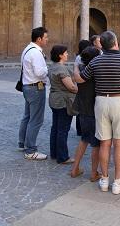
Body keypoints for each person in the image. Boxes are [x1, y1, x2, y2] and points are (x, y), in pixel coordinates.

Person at [76, 31, 120, 195]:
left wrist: (75, 68)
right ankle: (117, 181)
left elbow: (81, 78)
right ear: (116, 42)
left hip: (101, 101)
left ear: (101, 44)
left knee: (104, 143)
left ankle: (104, 179)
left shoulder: (96, 60)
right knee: (119, 143)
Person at [70, 46, 102, 181]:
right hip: (93, 110)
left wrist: (76, 66)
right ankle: (94, 173)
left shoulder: (81, 70)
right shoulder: (95, 71)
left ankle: (75, 168)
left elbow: (76, 78)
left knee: (84, 139)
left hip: (82, 109)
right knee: (96, 144)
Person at [18, 27, 50, 160]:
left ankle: (22, 143)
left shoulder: (27, 49)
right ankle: (30, 150)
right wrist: (47, 69)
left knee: (27, 116)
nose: (47, 40)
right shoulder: (36, 53)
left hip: (27, 86)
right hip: (36, 88)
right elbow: (40, 72)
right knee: (36, 119)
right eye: (46, 38)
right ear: (39, 39)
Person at [48, 45, 78, 164]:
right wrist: (78, 90)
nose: (67, 54)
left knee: (55, 127)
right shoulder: (61, 69)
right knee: (63, 129)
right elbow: (70, 86)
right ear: (60, 55)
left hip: (54, 99)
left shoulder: (53, 67)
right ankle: (62, 157)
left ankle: (54, 153)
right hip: (63, 102)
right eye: (65, 53)